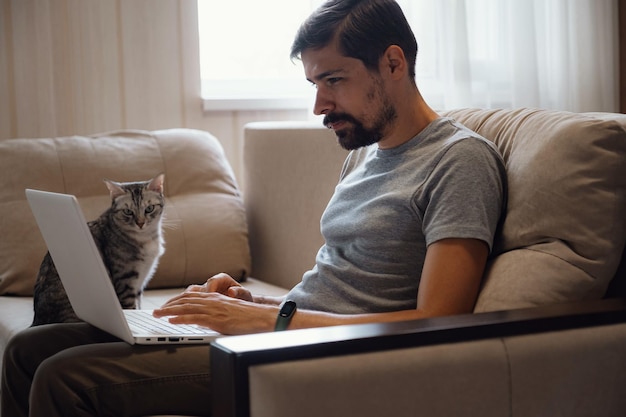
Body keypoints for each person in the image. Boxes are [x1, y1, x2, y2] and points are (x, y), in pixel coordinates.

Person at [1, 0, 506, 415]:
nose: (319, 105)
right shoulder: (364, 154)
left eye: (334, 80)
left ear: (394, 63)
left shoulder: (459, 161)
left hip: (325, 358)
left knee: (65, 378)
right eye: (314, 85)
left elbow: (441, 321)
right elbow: (337, 289)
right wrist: (253, 305)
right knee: (27, 350)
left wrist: (269, 323)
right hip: (284, 332)